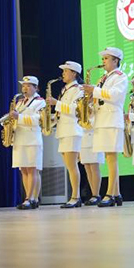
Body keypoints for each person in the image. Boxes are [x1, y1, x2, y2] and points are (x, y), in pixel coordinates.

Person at [83, 47, 129, 207]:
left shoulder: (120, 76)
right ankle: (116, 194)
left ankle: (110, 193)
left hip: (111, 120)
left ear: (116, 60)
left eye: (106, 58)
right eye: (103, 59)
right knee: (109, 158)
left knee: (111, 158)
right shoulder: (103, 78)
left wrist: (95, 90)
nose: (103, 62)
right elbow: (100, 97)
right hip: (102, 121)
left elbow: (115, 95)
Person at [47, 61, 86, 208]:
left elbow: (75, 109)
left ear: (74, 73)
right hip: (64, 130)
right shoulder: (66, 89)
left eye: (65, 71)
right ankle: (74, 196)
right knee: (69, 166)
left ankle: (76, 196)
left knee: (72, 166)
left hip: (72, 130)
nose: (63, 74)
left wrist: (56, 103)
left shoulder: (78, 89)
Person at [11, 76, 45, 210]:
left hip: (32, 138)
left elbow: (38, 120)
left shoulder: (40, 102)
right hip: (20, 138)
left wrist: (18, 117)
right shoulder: (19, 102)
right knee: (24, 170)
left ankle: (30, 198)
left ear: (36, 88)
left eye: (28, 86)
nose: (25, 88)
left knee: (32, 169)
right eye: (23, 86)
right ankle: (30, 197)